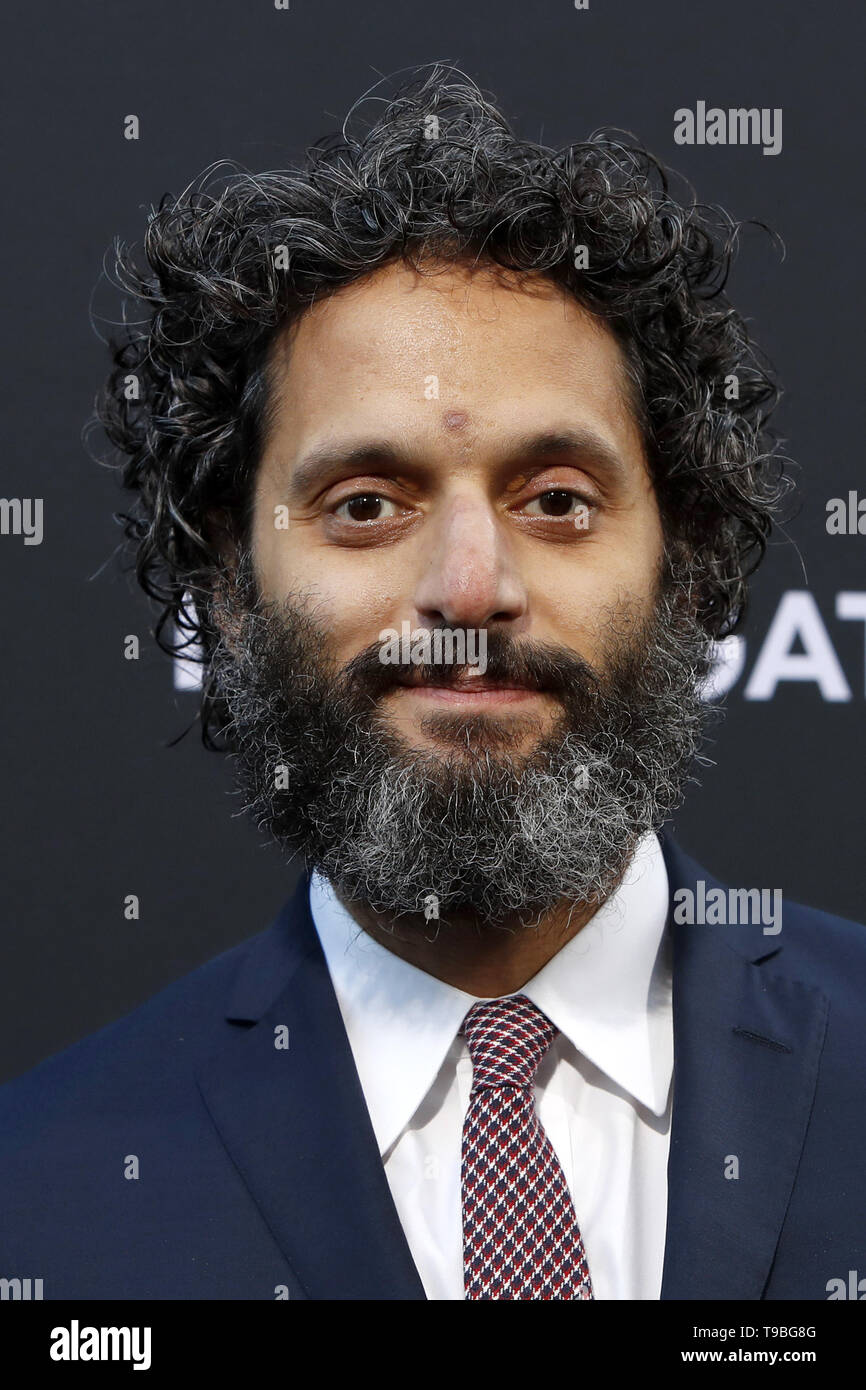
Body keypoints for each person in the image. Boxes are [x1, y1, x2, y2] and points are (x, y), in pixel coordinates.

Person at [1, 65, 863, 1301]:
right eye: (365, 505)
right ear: (231, 594)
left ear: (684, 569)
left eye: (557, 500)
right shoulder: (41, 1199)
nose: (470, 585)